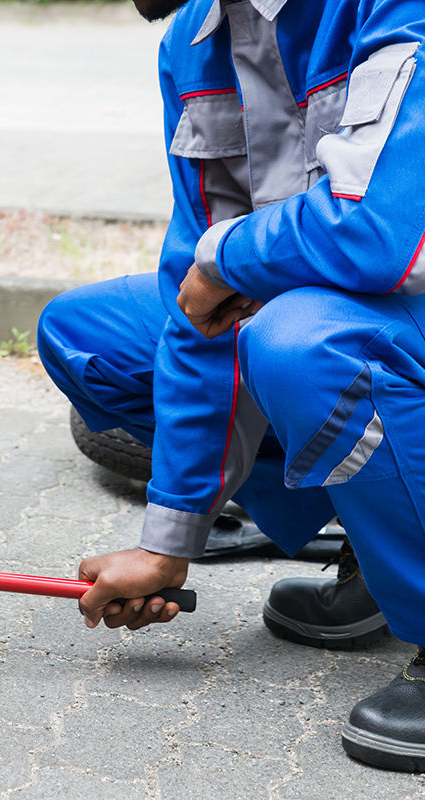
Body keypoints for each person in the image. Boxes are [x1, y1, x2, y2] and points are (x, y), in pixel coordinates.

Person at [36, 0, 425, 771]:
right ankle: (381, 557)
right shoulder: (195, 37)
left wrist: (231, 260)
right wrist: (167, 540)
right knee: (91, 340)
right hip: (343, 301)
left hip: (399, 300)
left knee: (301, 343)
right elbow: (199, 291)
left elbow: (379, 236)